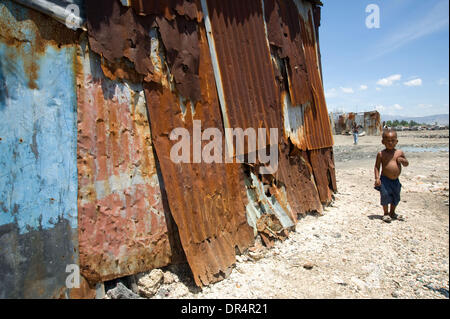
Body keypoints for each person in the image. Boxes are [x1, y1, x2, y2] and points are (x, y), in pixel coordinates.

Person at [374, 129, 409, 223]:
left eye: (393, 140)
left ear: (396, 141)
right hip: (385, 180)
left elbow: (406, 164)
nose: (390, 143)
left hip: (395, 180)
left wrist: (403, 160)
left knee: (396, 195)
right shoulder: (381, 154)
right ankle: (386, 213)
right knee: (385, 195)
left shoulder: (399, 153)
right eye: (387, 141)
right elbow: (377, 167)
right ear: (383, 142)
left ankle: (392, 212)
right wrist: (377, 178)